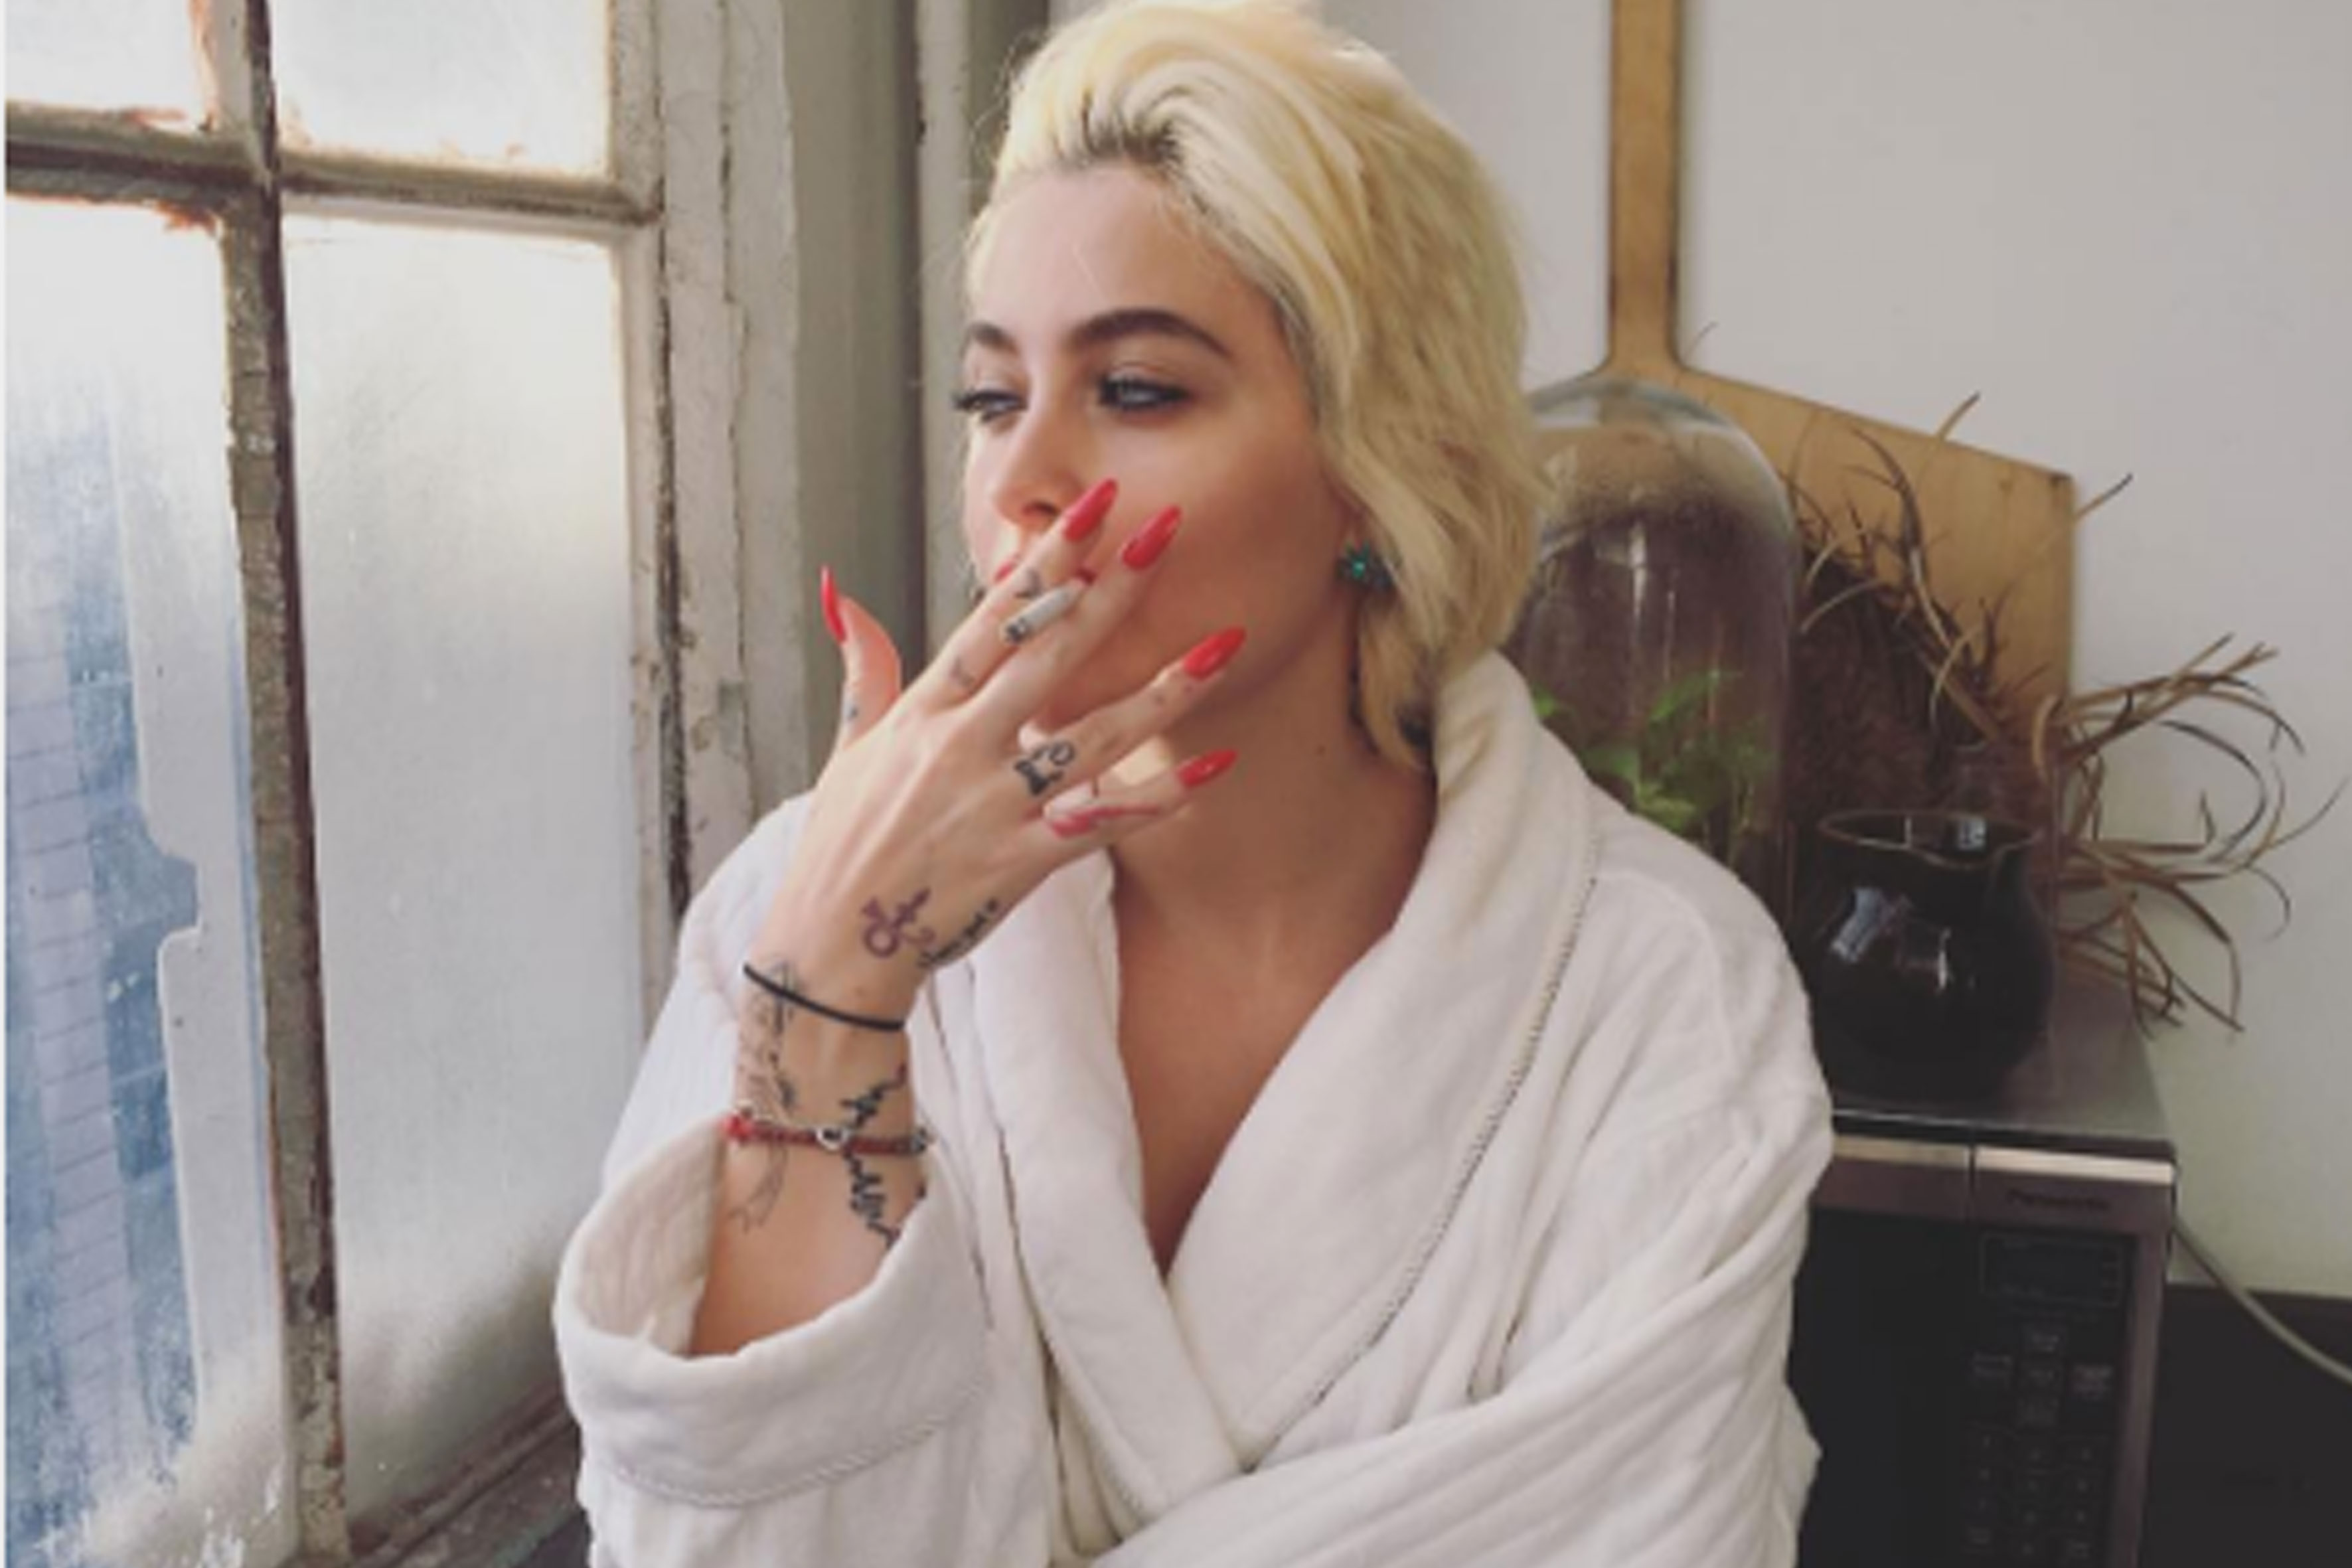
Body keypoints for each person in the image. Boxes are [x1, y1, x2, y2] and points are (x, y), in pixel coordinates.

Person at [554, 1, 1831, 1563]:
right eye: (991, 398)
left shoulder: (1655, 992)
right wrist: (828, 992)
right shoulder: (801, 903)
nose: (1022, 481)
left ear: (1377, 469)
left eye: (1138, 388)